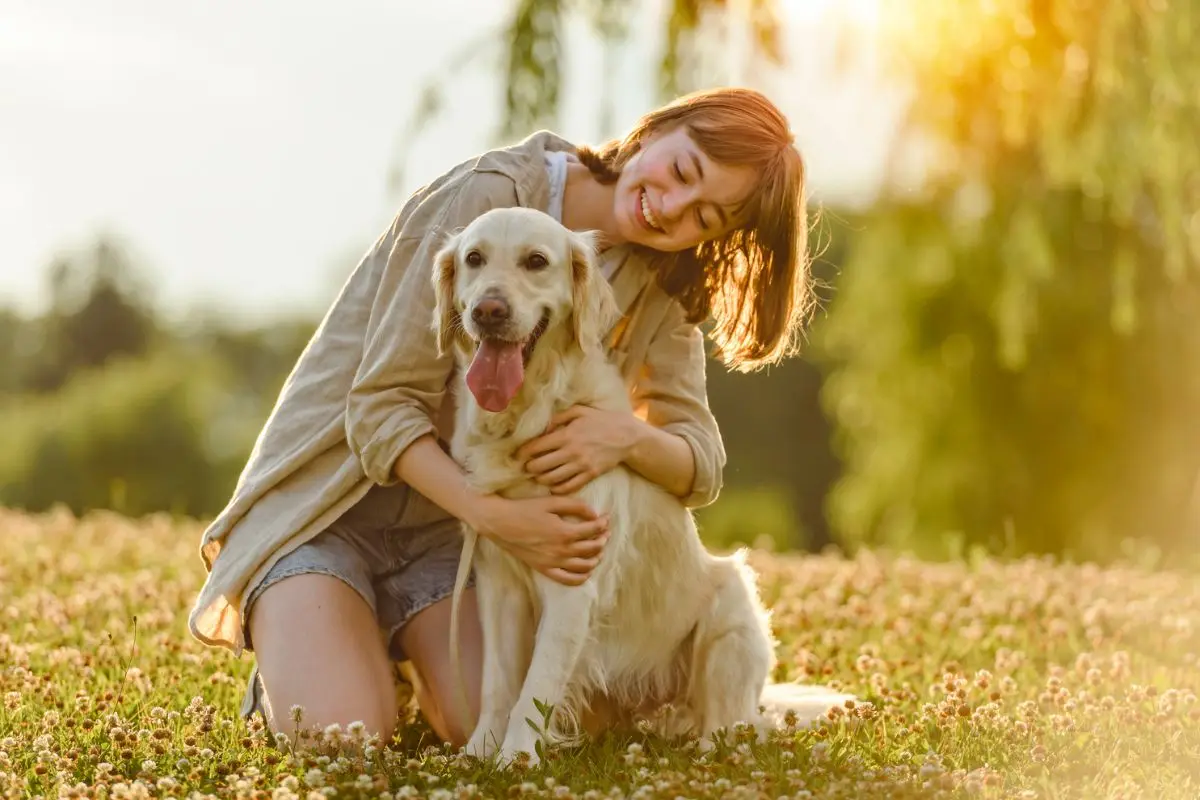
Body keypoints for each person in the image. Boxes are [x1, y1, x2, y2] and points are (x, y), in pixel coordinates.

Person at [188, 86, 815, 747]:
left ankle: (386, 649)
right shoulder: (486, 198)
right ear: (656, 130)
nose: (672, 208)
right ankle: (319, 640)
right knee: (340, 739)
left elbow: (702, 464)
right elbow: (379, 408)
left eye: (706, 217)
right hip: (327, 510)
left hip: (453, 549)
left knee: (519, 722)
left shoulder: (663, 281)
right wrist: (496, 515)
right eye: (682, 171)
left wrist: (624, 435)